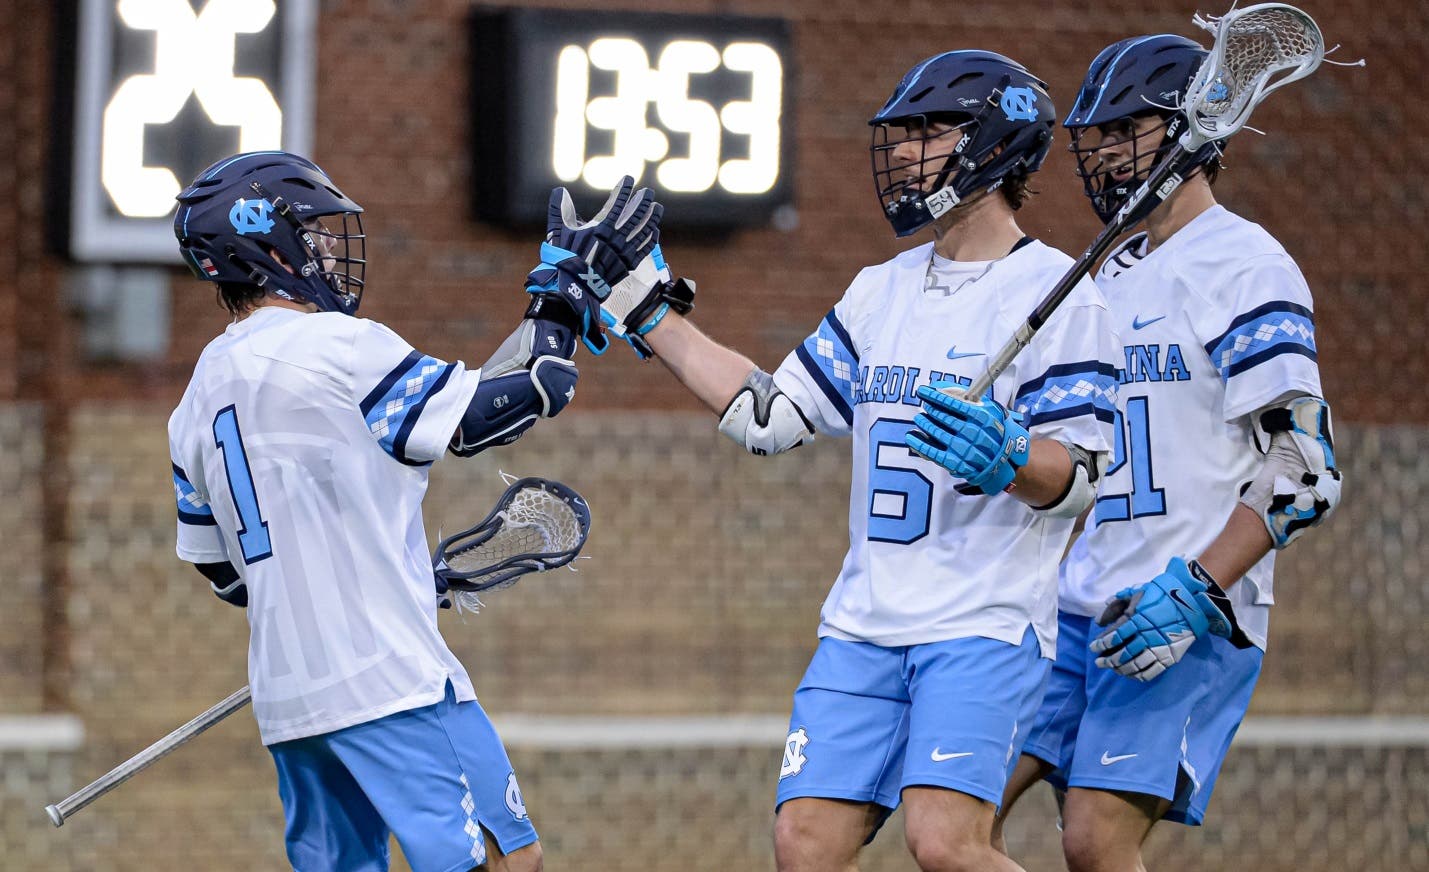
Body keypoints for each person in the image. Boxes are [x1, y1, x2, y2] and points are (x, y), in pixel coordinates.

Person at [600, 52, 1120, 872]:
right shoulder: (879, 290)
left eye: (927, 131)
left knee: (944, 843)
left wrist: (1013, 457)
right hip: (863, 625)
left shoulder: (1060, 296)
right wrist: (647, 313)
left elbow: (1081, 479)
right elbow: (770, 416)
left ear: (993, 145)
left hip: (980, 623)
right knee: (802, 845)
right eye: (901, 132)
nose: (906, 151)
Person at [166, 151, 656, 872]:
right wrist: (561, 297)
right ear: (263, 243)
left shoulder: (195, 397)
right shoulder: (336, 345)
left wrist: (368, 573)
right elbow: (516, 400)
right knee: (503, 859)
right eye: (312, 231)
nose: (329, 247)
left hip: (289, 702)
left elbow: (226, 575)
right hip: (390, 683)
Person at [991, 35, 1343, 872]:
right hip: (1072, 609)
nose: (1105, 152)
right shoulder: (1108, 273)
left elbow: (1306, 471)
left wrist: (1196, 585)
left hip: (1184, 608)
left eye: (1125, 131)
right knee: (955, 813)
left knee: (1093, 840)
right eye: (1098, 136)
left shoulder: (1245, 265)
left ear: (1192, 130)